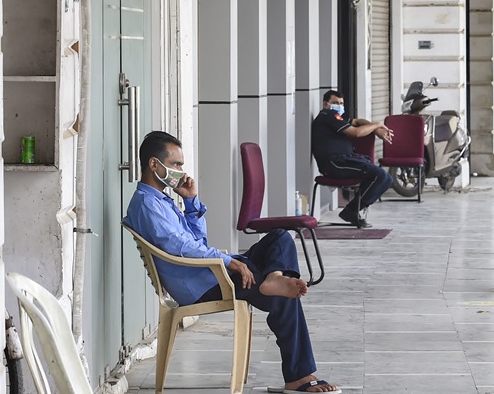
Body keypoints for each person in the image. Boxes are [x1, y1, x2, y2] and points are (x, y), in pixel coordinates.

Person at [124, 131, 341, 394]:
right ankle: (299, 375)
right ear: (154, 165)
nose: (181, 171)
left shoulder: (162, 200)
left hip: (208, 274)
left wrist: (191, 201)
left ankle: (273, 277)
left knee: (280, 237)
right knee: (286, 296)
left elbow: (197, 241)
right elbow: (179, 247)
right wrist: (229, 262)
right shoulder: (147, 203)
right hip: (201, 284)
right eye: (176, 164)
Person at [311, 89, 394, 227]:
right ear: (325, 104)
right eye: (335, 102)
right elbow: (356, 132)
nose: (339, 105)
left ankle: (352, 210)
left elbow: (357, 121)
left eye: (341, 103)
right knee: (380, 176)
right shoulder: (327, 115)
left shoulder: (337, 117)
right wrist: (378, 124)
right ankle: (351, 210)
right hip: (335, 163)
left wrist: (375, 130)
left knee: (386, 179)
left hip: (346, 160)